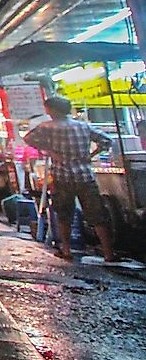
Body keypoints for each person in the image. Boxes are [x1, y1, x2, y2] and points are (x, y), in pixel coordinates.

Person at [23, 95, 120, 262]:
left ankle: (66, 250)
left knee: (64, 214)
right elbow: (106, 140)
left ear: (52, 110)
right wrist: (91, 154)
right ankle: (108, 253)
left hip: (62, 176)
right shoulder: (82, 126)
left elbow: (28, 138)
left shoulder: (47, 127)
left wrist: (49, 151)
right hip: (84, 175)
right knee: (97, 215)